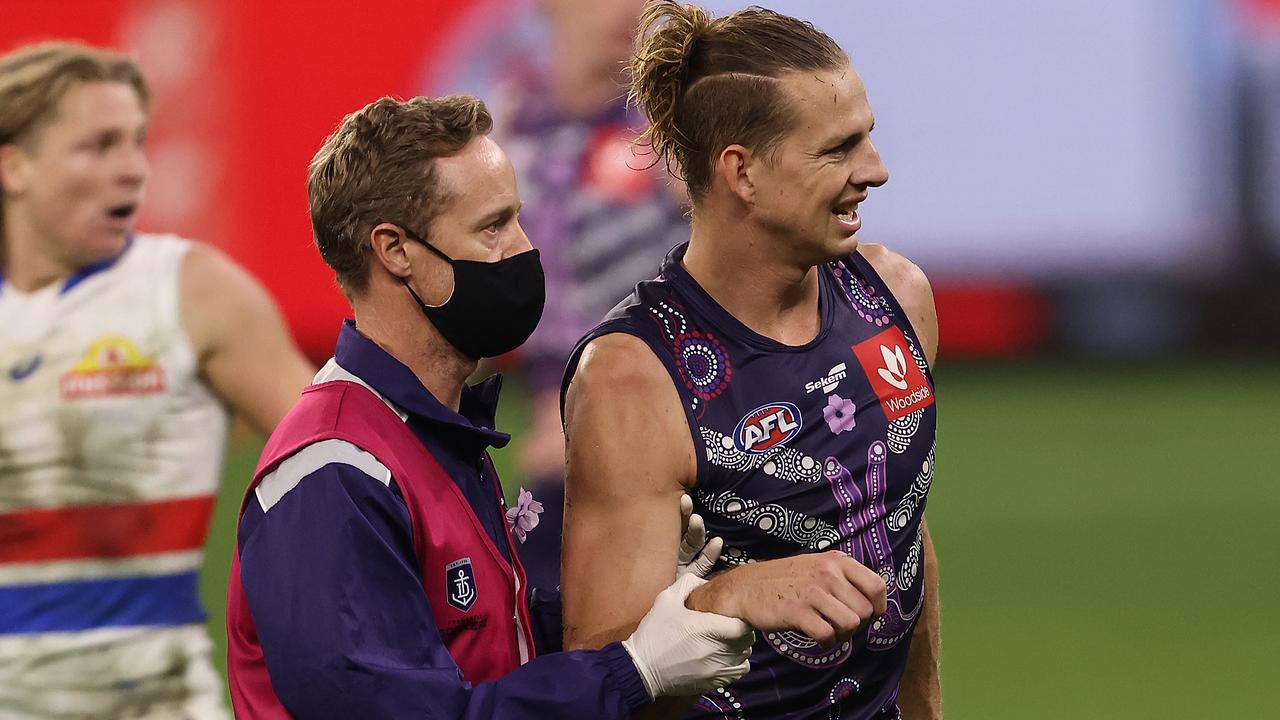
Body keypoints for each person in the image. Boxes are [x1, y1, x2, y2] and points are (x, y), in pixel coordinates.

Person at [225, 94, 757, 718]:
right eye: (493, 226)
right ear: (396, 251)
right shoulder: (335, 475)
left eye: (518, 219)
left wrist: (641, 598)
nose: (524, 250)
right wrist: (633, 669)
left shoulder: (428, 432)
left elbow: (486, 641)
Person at [560, 3, 942, 719]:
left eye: (869, 138)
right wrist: (724, 598)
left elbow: (905, 532)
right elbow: (598, 684)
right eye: (839, 149)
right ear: (742, 170)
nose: (876, 171)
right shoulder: (633, 381)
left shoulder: (898, 297)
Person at [0, 42, 314, 718]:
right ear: (14, 166)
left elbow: (346, 460)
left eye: (137, 143)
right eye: (99, 146)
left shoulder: (189, 292)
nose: (134, 170)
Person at [488, 0, 693, 589]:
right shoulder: (502, 128)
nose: (631, 8)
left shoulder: (675, 122)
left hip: (678, 444)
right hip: (554, 454)